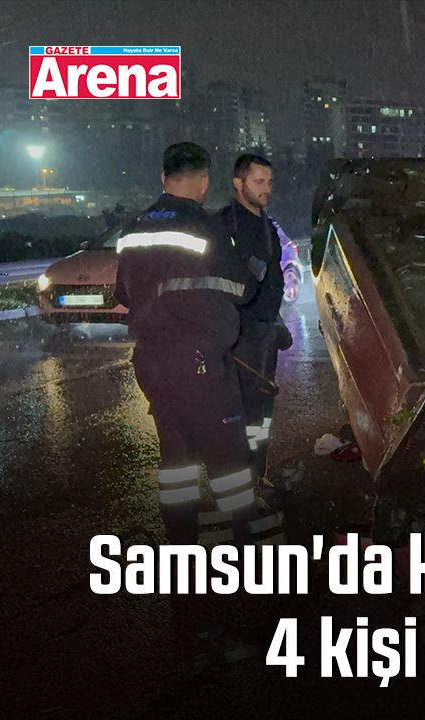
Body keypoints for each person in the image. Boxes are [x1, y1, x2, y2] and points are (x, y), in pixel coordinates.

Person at [114, 142, 268, 546]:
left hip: (151, 360)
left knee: (177, 457)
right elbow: (242, 289)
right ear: (203, 182)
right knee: (228, 458)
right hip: (198, 362)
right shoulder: (205, 227)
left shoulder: (132, 229)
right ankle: (244, 546)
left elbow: (124, 293)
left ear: (164, 178)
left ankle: (180, 542)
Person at [218, 154, 292, 482]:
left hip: (263, 332)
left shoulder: (265, 222)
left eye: (270, 182)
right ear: (238, 183)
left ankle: (257, 475)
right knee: (243, 413)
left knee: (262, 411)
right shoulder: (227, 224)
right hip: (241, 335)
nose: (267, 189)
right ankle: (242, 482)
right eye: (259, 182)